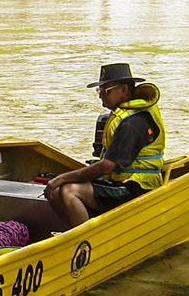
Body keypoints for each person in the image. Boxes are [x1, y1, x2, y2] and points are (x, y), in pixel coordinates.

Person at [43, 63, 165, 228]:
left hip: (136, 187)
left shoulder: (132, 123)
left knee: (68, 190)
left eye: (106, 91)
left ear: (124, 90)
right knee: (55, 192)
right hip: (119, 182)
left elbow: (106, 166)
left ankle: (86, 240)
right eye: (99, 91)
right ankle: (85, 228)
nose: (101, 96)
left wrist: (62, 178)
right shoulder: (121, 116)